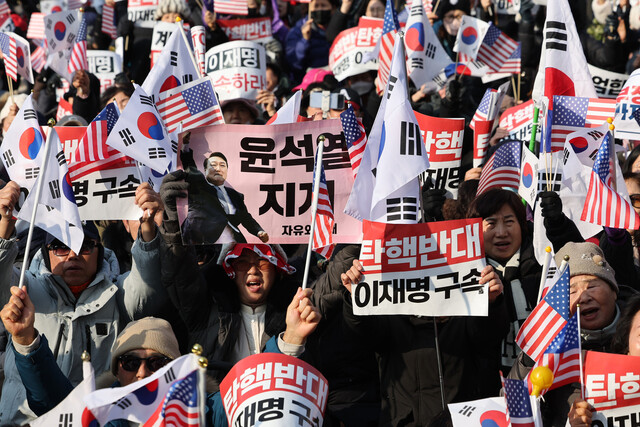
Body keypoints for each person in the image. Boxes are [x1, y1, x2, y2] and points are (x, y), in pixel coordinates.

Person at [1, 285, 320, 425]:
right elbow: (54, 404)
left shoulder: (203, 410)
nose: (142, 373)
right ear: (117, 370)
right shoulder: (99, 415)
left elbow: (255, 390)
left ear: (178, 369)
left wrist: (291, 338)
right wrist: (25, 338)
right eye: (130, 362)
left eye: (157, 363)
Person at [0, 181, 167, 425]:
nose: (73, 254)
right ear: (45, 252)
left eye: (85, 245)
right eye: (60, 246)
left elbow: (147, 287)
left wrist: (148, 233)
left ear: (100, 251)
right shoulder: (22, 288)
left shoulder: (117, 292)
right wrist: (4, 229)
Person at [339, 257, 508, 425]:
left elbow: (489, 335)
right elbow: (362, 329)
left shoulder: (468, 313)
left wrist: (491, 302)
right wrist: (357, 299)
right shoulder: (390, 316)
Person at [510, 241, 639, 426]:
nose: (583, 297)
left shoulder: (636, 332)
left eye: (592, 286)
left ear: (614, 291)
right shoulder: (547, 350)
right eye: (571, 291)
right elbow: (512, 412)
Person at [467, 188, 541, 370]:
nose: (501, 232)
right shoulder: (465, 276)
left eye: (509, 222)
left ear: (522, 226)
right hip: (488, 385)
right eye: (490, 224)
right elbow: (474, 340)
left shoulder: (544, 266)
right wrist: (492, 304)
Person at [179, 148, 269, 244]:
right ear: (205, 170)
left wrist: (259, 231)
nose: (218, 168)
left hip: (233, 239)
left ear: (227, 170)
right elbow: (191, 169)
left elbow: (246, 218)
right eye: (213, 165)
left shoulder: (236, 195)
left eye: (222, 165)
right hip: (201, 240)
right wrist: (185, 147)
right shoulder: (199, 187)